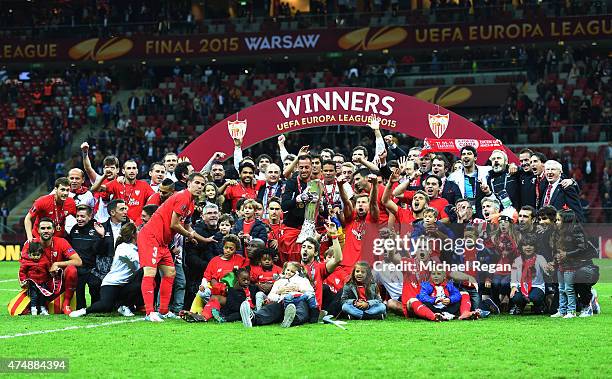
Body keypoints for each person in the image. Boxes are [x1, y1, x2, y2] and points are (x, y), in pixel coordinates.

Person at [138, 172, 210, 322]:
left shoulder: (191, 203)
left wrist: (203, 239)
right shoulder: (183, 197)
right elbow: (174, 224)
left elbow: (187, 227)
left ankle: (163, 311)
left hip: (163, 242)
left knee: (170, 273)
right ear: (188, 184)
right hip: (151, 237)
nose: (200, 186)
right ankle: (149, 312)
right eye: (197, 183)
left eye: (202, 184)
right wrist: (189, 235)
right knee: (150, 273)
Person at [70, 223, 143, 317]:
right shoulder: (123, 247)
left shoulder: (137, 247)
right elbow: (137, 263)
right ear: (133, 234)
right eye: (138, 231)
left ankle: (125, 305)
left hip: (126, 284)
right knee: (105, 306)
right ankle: (84, 311)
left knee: (145, 275)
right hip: (112, 283)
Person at [19, 218, 83, 315]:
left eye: (48, 228)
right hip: (36, 286)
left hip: (57, 284)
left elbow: (78, 261)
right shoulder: (30, 244)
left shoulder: (61, 242)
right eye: (43, 228)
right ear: (38, 230)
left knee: (71, 270)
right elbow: (23, 267)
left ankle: (66, 304)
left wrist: (57, 264)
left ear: (53, 230)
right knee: (18, 310)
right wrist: (22, 282)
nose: (46, 231)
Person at [91, 160, 155, 225]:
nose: (132, 171)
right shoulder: (116, 183)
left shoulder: (144, 185)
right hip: (119, 225)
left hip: (137, 225)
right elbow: (94, 189)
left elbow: (154, 198)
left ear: (137, 171)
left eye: (134, 168)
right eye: (129, 168)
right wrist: (104, 176)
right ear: (123, 171)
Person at [550, 209, 587, 319]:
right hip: (561, 264)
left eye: (558, 220)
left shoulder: (575, 230)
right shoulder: (558, 232)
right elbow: (556, 249)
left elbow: (582, 248)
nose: (556, 222)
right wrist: (555, 257)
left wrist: (567, 254)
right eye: (556, 220)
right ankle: (562, 310)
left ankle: (571, 311)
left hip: (572, 265)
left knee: (569, 289)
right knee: (561, 288)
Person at [68, 205, 106, 310]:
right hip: (78, 267)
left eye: (82, 216)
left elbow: (101, 250)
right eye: (77, 216)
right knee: (79, 290)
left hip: (93, 268)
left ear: (90, 216)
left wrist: (102, 236)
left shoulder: (97, 228)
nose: (79, 219)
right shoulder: (74, 229)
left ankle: (96, 308)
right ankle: (80, 309)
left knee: (94, 288)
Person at [509, 234, 552, 315]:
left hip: (537, 286)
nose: (528, 247)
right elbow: (513, 276)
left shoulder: (540, 258)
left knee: (534, 297)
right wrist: (514, 287)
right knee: (516, 298)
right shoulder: (517, 260)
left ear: (535, 247)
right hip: (521, 286)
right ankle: (519, 306)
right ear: (521, 247)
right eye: (525, 245)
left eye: (531, 245)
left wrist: (549, 269)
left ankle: (539, 306)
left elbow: (547, 271)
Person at [24, 177, 77, 242]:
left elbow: (79, 217)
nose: (65, 193)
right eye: (62, 190)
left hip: (58, 239)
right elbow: (28, 218)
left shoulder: (71, 202)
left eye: (67, 190)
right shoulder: (42, 201)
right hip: (40, 238)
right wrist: (30, 238)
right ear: (56, 189)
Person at [81, 143, 120, 222]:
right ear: (103, 170)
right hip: (99, 221)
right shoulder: (99, 179)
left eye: (112, 168)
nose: (109, 170)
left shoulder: (121, 181)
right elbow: (88, 168)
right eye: (106, 168)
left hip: (116, 221)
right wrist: (85, 154)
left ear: (118, 170)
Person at [18, 242, 51, 316]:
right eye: (34, 255)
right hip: (32, 283)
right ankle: (33, 309)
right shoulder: (26, 262)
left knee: (43, 296)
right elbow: (22, 271)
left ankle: (43, 308)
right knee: (34, 296)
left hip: (43, 282)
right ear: (29, 254)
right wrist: (24, 280)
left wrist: (52, 275)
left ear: (41, 254)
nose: (36, 257)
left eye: (38, 255)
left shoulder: (45, 261)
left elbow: (49, 270)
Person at [65, 168, 96, 233]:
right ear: (67, 179)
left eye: (77, 178)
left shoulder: (88, 194)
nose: (74, 181)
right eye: (71, 178)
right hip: (65, 229)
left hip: (83, 230)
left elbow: (92, 213)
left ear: (83, 180)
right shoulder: (62, 192)